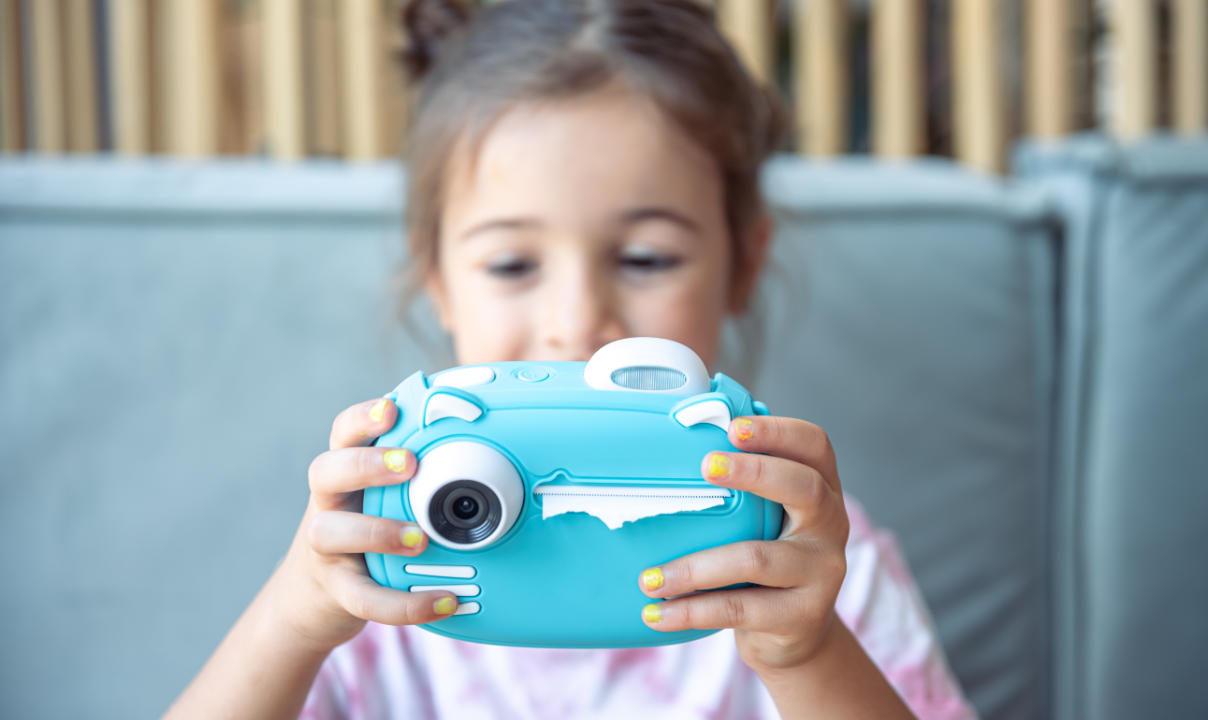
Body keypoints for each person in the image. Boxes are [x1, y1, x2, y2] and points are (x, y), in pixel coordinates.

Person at [166, 1, 975, 718]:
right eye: (513, 266)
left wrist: (808, 654)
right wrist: (295, 616)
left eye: (647, 259)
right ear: (439, 282)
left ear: (743, 264)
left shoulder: (802, 564)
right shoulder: (383, 554)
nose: (578, 323)